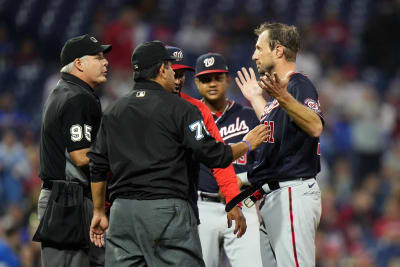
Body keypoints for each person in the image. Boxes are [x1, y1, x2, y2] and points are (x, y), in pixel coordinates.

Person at [87, 40, 268, 267]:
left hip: (123, 212)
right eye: (171, 68)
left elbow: (97, 164)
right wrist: (247, 144)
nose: (176, 74)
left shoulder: (114, 110)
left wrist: (98, 211)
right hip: (166, 210)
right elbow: (214, 155)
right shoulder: (183, 109)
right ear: (162, 69)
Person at [235, 22, 324, 267]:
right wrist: (256, 98)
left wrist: (283, 97)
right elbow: (278, 131)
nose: (254, 55)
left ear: (279, 50)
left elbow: (315, 126)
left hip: (292, 192)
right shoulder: (280, 97)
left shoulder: (298, 84)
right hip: (275, 196)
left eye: (259, 48)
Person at [37, 34, 111, 267]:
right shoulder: (76, 97)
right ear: (79, 63)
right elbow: (81, 156)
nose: (105, 62)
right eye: (98, 57)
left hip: (70, 199)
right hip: (68, 201)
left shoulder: (66, 90)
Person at [194, 52, 263, 267]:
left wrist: (242, 179)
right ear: (196, 83)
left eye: (217, 77)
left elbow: (267, 164)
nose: (212, 84)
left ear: (227, 79)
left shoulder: (249, 115)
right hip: (201, 206)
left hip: (244, 204)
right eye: (206, 79)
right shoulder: (189, 116)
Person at [166, 45, 243, 226]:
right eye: (174, 74)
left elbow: (217, 157)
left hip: (182, 202)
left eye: (181, 75)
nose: (178, 81)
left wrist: (233, 200)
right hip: (146, 199)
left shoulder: (196, 109)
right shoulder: (138, 106)